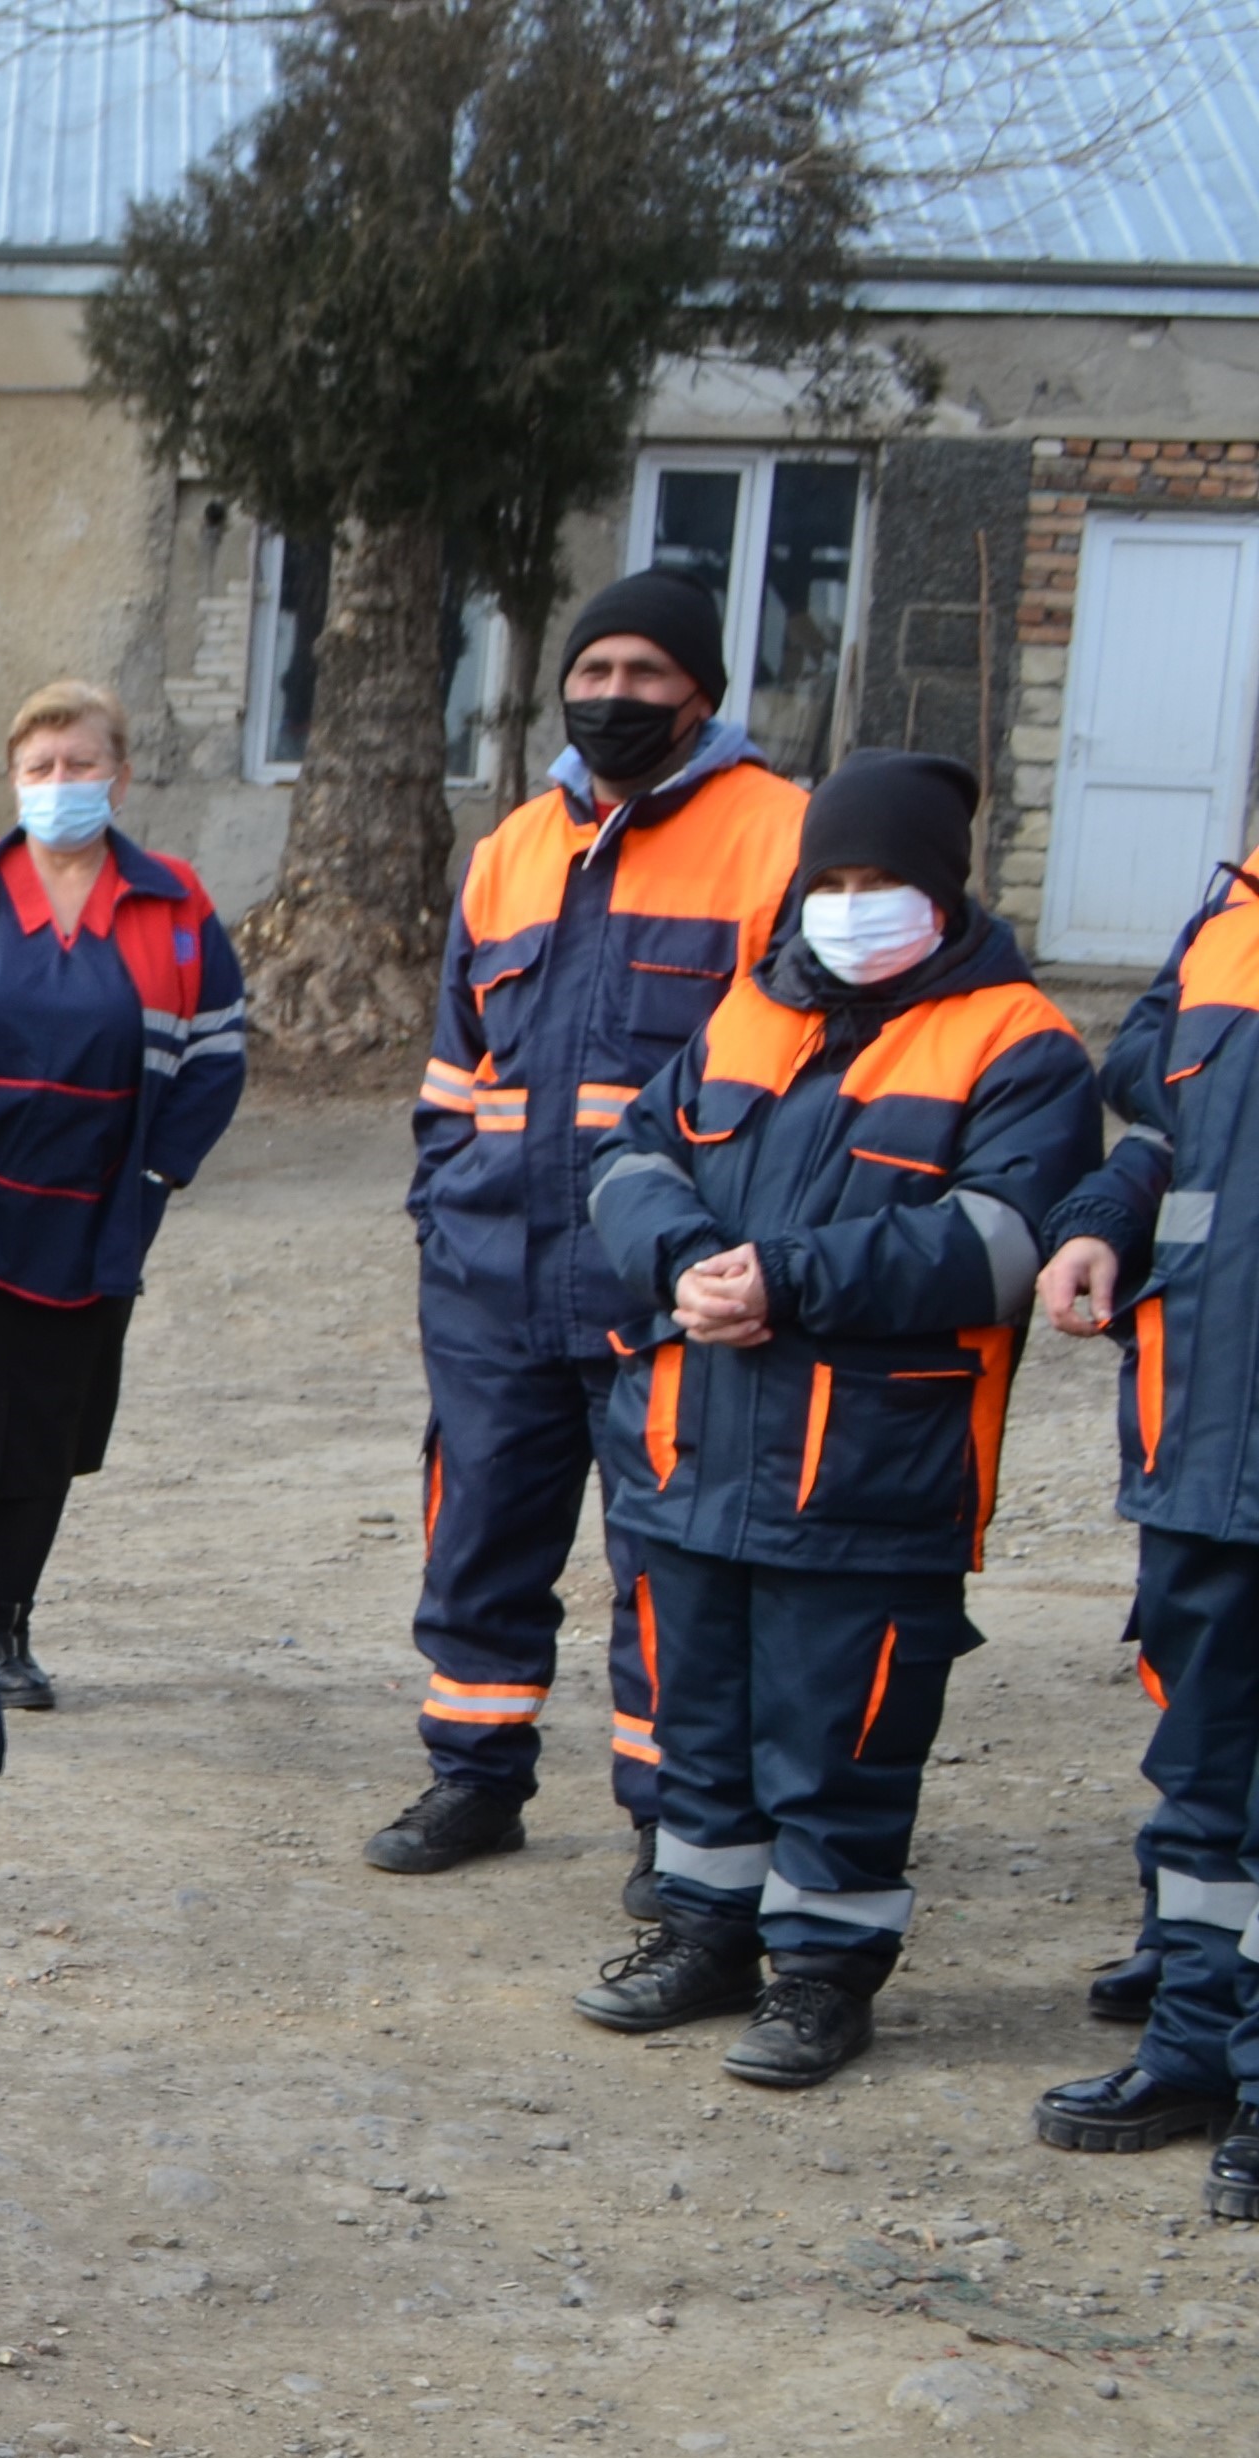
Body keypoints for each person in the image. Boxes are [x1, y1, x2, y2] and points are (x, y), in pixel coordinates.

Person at [572, 751, 1091, 2087]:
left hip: (867, 1473)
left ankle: (821, 1975)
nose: (850, 905)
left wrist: (785, 1279)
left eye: (880, 881)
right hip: (694, 1450)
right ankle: (703, 1933)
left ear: (941, 892)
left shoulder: (1019, 1040)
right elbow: (627, 1154)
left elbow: (999, 1242)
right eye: (832, 880)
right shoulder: (751, 1006)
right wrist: (681, 1257)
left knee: (838, 1736)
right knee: (700, 1721)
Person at [373, 569, 810, 1899]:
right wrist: (443, 1202)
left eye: (645, 675)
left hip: (668, 1276)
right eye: (593, 673)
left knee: (666, 1559)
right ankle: (473, 1775)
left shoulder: (780, 835)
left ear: (701, 695)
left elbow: (802, 1075)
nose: (614, 696)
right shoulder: (512, 847)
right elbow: (455, 1065)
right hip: (492, 1272)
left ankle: (672, 1818)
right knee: (478, 1530)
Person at [0, 678, 248, 1709]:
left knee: (46, 1422)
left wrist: (161, 1171)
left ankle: (3, 1628)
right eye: (40, 767)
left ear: (119, 775)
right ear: (14, 779)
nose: (60, 782)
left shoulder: (175, 904)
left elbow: (215, 1053)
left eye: (80, 763)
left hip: (94, 1210)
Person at [1029, 834, 1259, 2208]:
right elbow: (1167, 1119)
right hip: (1207, 1434)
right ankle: (1191, 2047)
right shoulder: (1232, 916)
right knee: (1204, 1771)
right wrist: (1102, 1218)